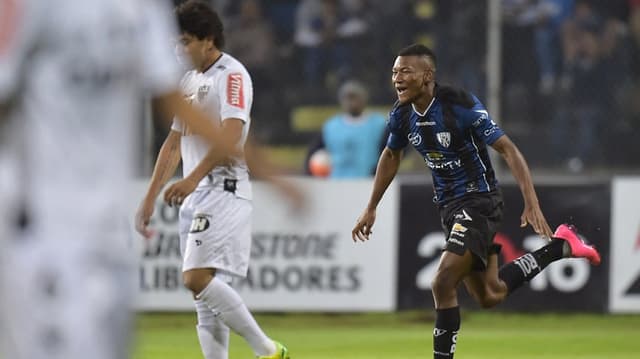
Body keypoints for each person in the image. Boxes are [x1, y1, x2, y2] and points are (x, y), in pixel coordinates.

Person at [0, 0, 240, 358]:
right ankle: (263, 346)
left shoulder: (142, 14)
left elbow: (170, 100)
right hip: (41, 223)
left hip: (107, 228)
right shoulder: (34, 9)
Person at [351, 44, 601, 359]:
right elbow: (390, 154)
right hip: (449, 208)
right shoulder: (402, 115)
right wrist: (371, 207)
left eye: (405, 71)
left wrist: (531, 201)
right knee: (490, 294)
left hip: (479, 200)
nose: (397, 78)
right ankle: (559, 247)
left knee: (442, 281)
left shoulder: (459, 106)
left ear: (427, 75)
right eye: (394, 72)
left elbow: (508, 149)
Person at [135, 2, 290, 359]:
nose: (178, 49)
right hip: (196, 195)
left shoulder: (231, 75)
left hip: (224, 189)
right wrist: (149, 198)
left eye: (185, 41)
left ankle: (267, 349)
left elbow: (232, 134)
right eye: (175, 42)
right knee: (203, 297)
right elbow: (173, 144)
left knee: (196, 278)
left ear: (208, 41)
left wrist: (190, 180)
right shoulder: (189, 81)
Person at [305, 80, 387, 178]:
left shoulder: (378, 124)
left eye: (355, 98)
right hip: (337, 183)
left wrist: (381, 170)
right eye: (347, 98)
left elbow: (394, 149)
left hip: (367, 183)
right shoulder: (331, 127)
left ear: (364, 99)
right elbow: (312, 154)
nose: (351, 102)